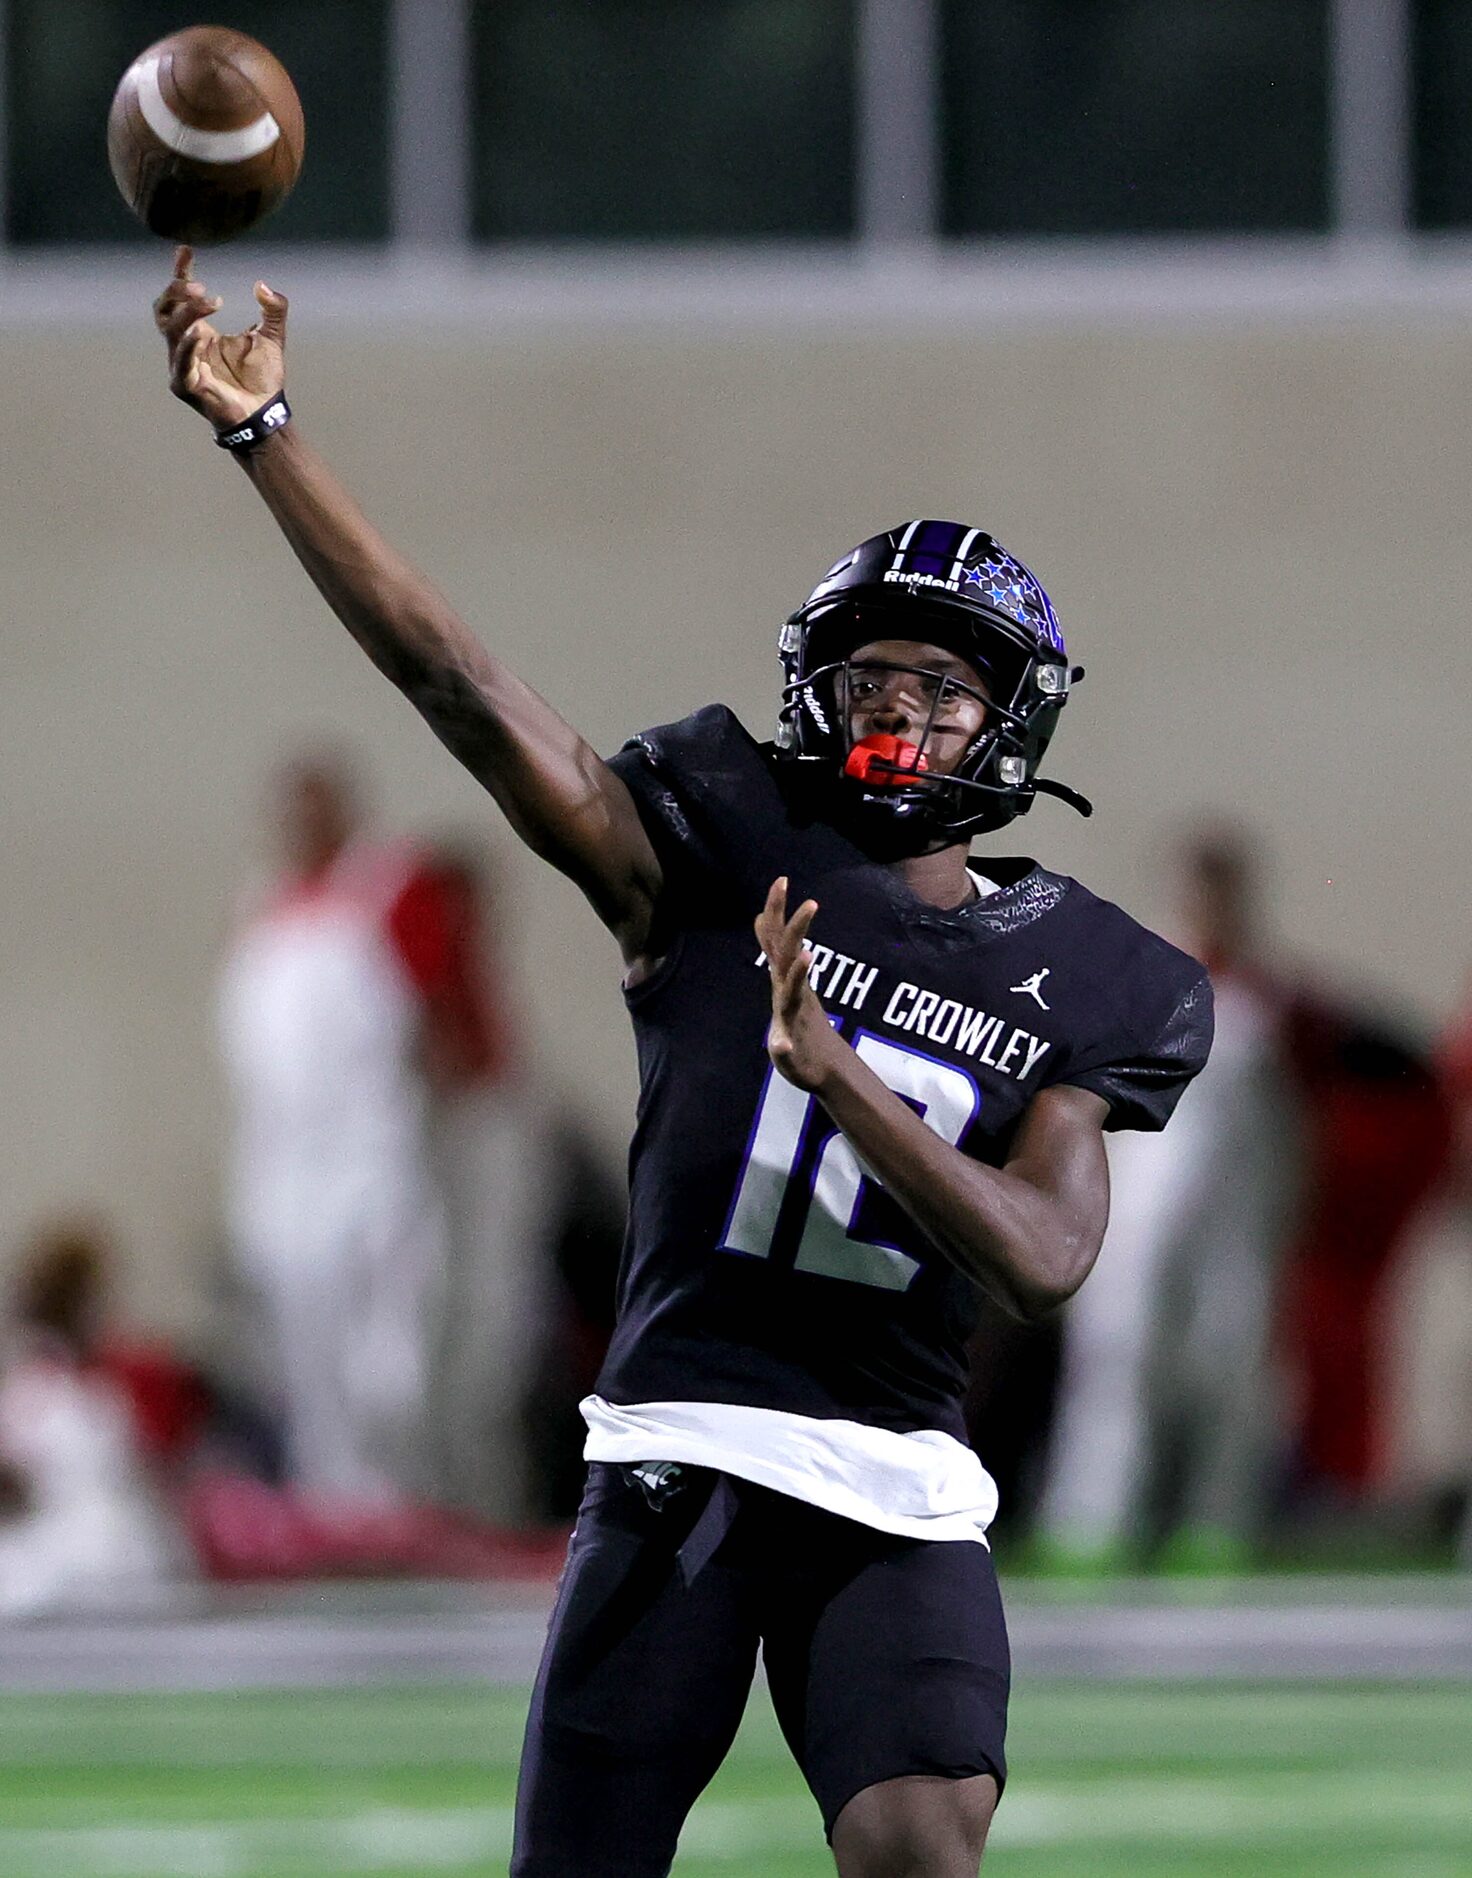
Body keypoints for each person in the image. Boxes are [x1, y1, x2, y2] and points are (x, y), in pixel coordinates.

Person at [153, 252, 1211, 1878]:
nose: (901, 709)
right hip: (682, 1447)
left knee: (922, 1845)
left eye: (944, 684)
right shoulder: (720, 834)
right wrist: (265, 432)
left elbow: (1048, 1260)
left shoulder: (1101, 975)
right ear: (813, 677)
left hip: (896, 1486)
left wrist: (837, 1069)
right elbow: (457, 681)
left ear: (1011, 724)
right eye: (872, 672)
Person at [219, 755, 513, 1504]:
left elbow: (446, 1013)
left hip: (375, 1147)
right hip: (284, 1158)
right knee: (299, 1331)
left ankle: (404, 1491)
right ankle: (329, 1495)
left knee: (389, 1342)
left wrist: (458, 1124)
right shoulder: (265, 908)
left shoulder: (388, 887)